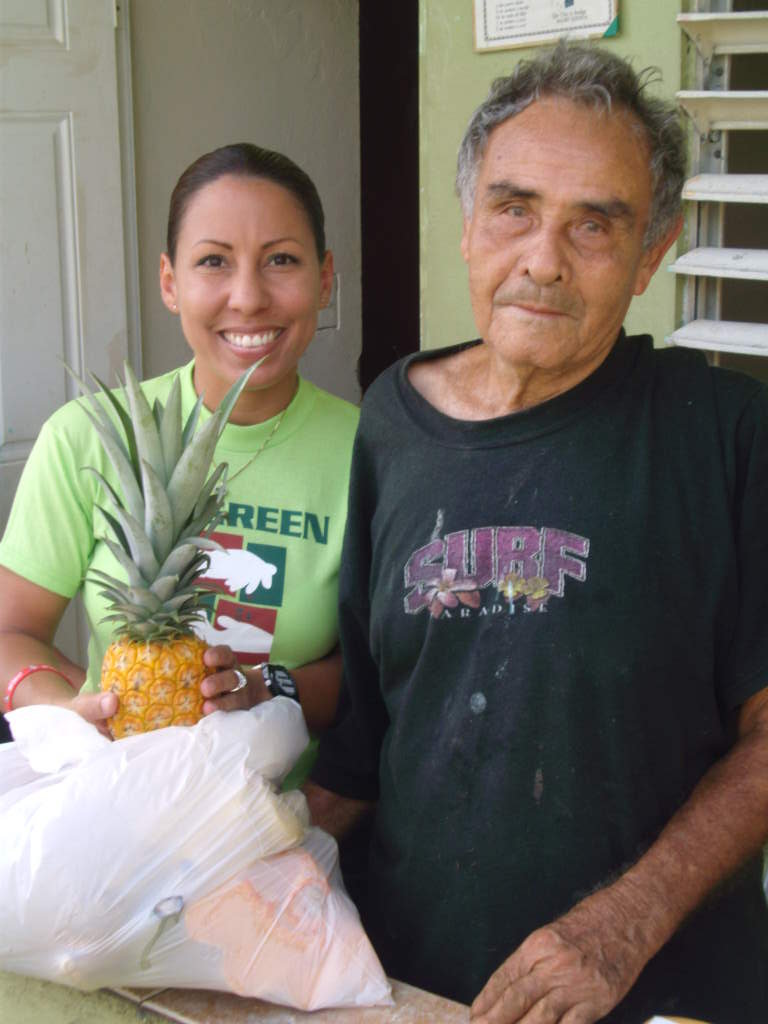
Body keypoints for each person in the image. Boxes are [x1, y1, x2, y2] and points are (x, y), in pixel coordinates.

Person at [306, 43, 768, 1022]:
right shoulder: (392, 416)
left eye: (595, 224)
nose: (544, 259)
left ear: (651, 255)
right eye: (515, 208)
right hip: (411, 980)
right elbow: (369, 735)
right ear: (470, 226)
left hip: (657, 990)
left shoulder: (728, 434)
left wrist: (621, 926)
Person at [0, 143, 359, 783]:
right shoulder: (86, 438)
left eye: (281, 260)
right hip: (112, 797)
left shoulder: (372, 451)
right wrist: (62, 708)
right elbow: (10, 630)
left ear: (325, 278)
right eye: (213, 262)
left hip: (281, 821)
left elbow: (374, 675)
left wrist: (266, 685)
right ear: (170, 282)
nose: (248, 298)